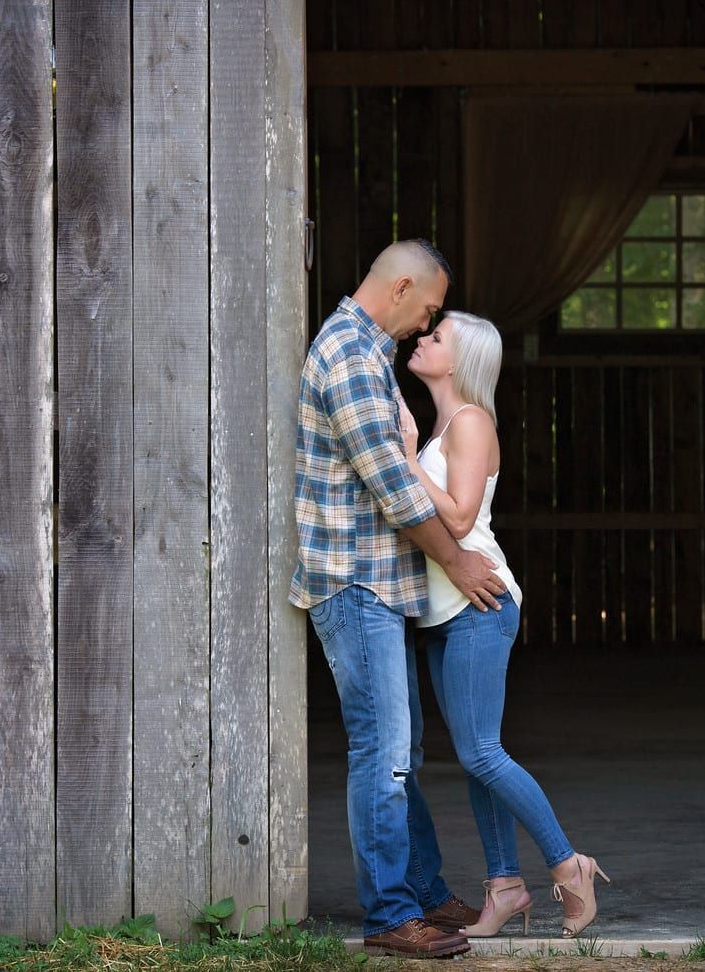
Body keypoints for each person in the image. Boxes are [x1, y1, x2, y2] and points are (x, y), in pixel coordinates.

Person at [291, 240, 508, 958]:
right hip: (353, 584)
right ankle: (389, 915)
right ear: (404, 285)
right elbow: (392, 487)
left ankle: (420, 889)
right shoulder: (351, 355)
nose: (427, 322)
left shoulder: (369, 350)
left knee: (402, 750)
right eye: (431, 308)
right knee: (382, 750)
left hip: (380, 583)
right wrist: (457, 559)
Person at [398, 310, 611, 940]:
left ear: (460, 362)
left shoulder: (471, 421)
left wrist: (407, 461)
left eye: (435, 338)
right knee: (474, 757)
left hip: (480, 605)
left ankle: (569, 866)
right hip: (447, 610)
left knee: (482, 752)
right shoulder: (447, 424)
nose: (420, 338)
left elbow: (460, 521)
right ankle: (505, 886)